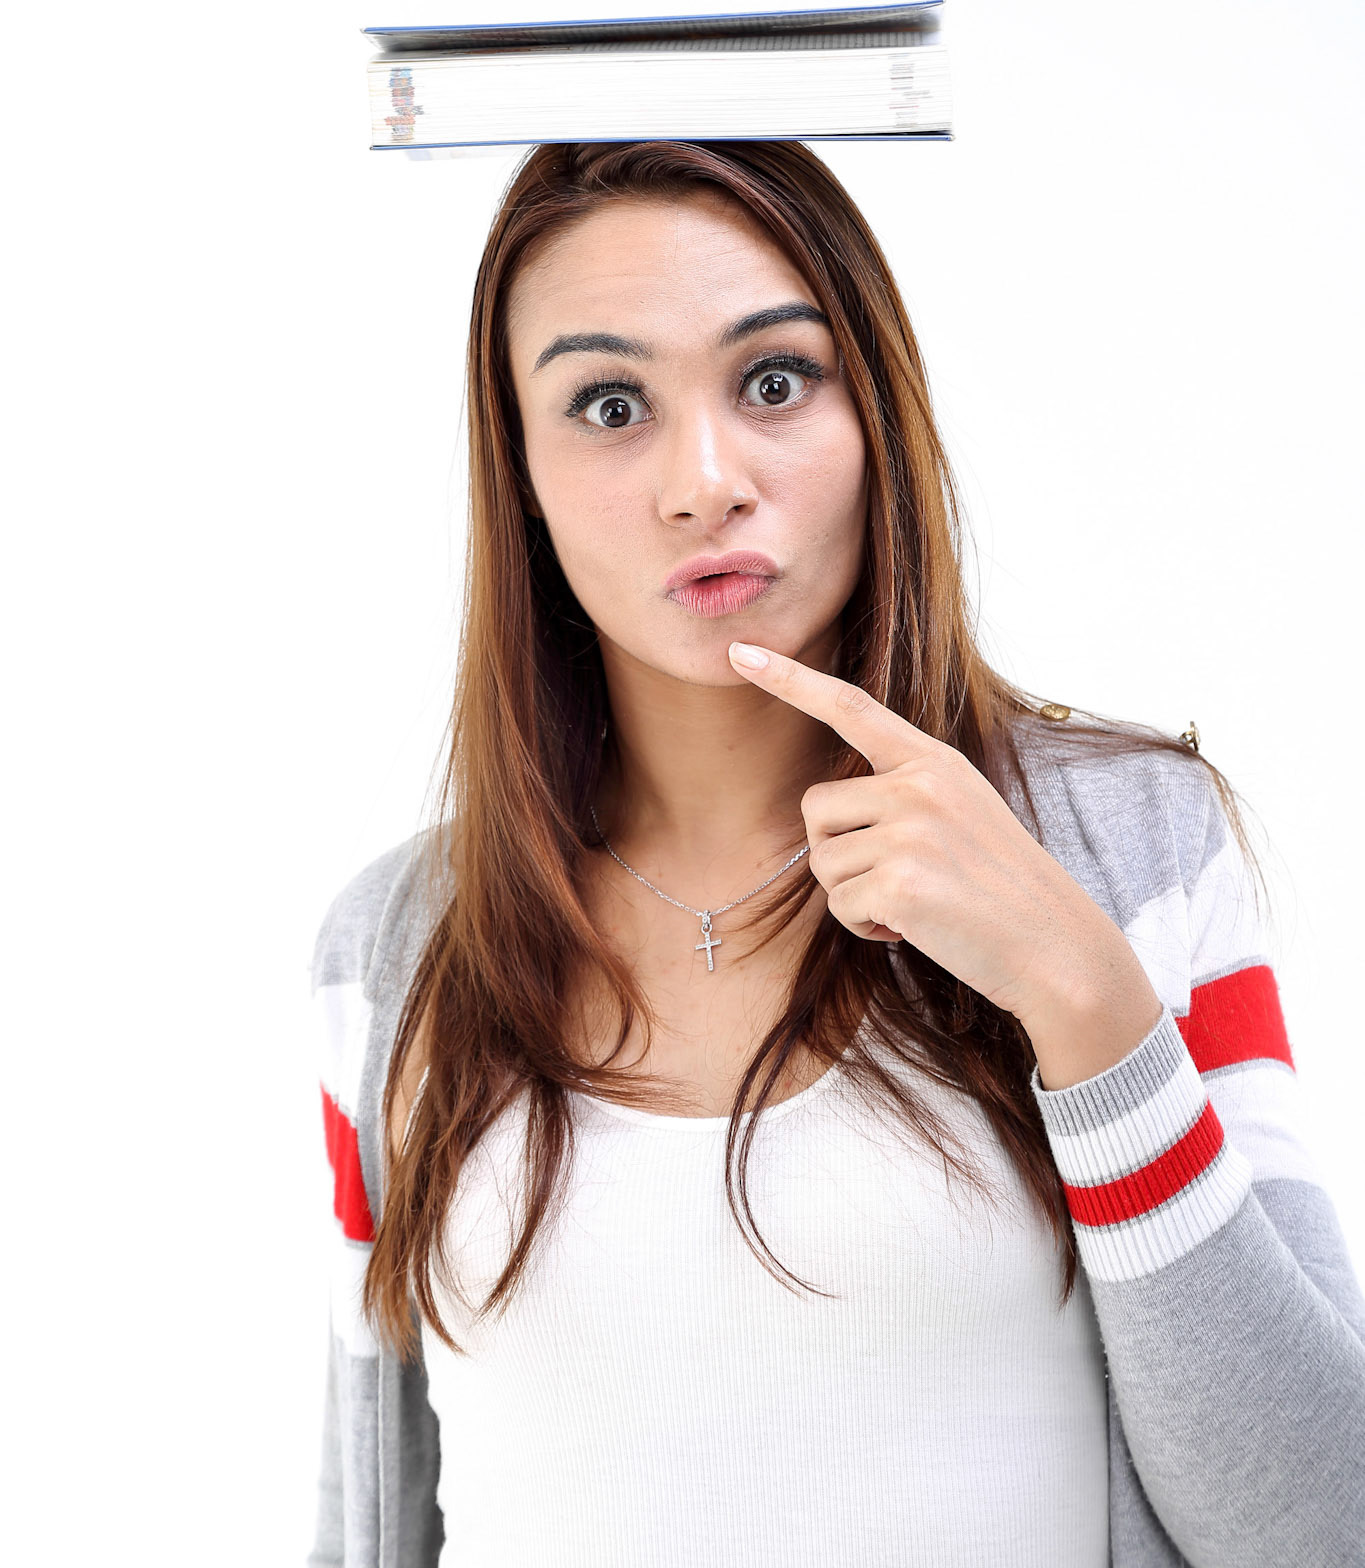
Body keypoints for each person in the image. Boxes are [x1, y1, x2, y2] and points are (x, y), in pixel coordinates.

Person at [308, 141, 1365, 1568]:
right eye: (608, 404)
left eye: (772, 380)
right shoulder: (394, 947)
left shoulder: (1126, 846)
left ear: (878, 414)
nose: (704, 481)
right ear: (524, 480)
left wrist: (1086, 1005)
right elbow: (372, 1525)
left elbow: (1315, 1526)